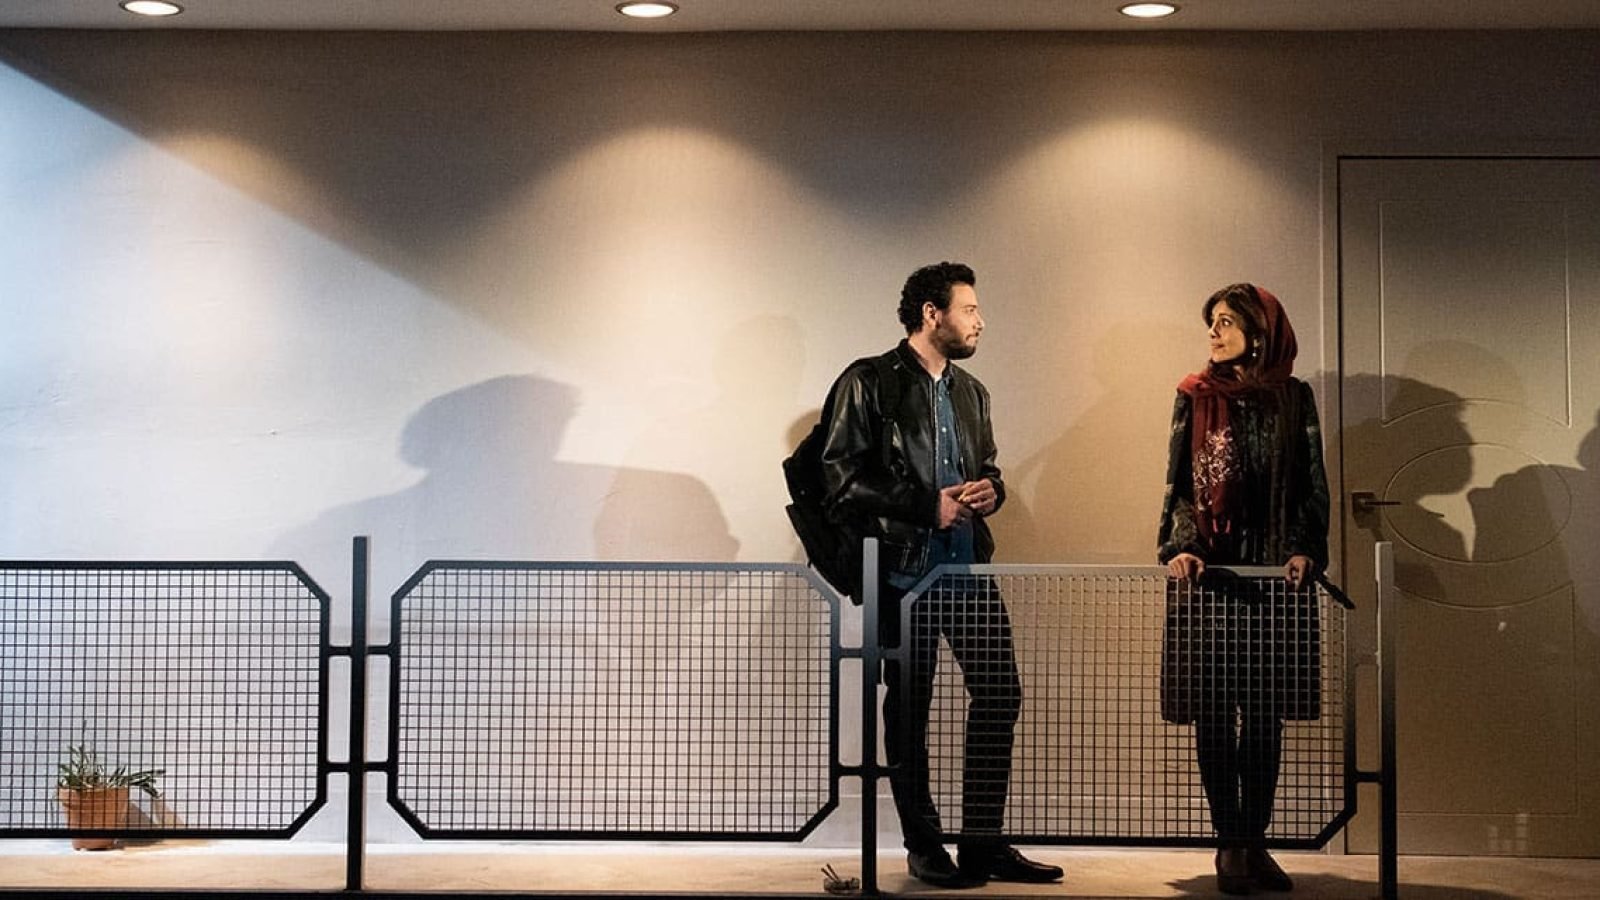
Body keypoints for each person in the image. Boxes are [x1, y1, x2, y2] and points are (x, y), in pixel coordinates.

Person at [819, 262, 1061, 888]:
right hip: (902, 578)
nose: (980, 320)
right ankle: (924, 847)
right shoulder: (868, 381)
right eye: (970, 309)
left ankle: (982, 844)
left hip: (966, 573)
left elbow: (990, 469)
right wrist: (925, 506)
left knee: (1000, 695)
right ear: (933, 314)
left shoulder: (972, 392)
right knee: (908, 713)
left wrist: (992, 492)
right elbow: (839, 481)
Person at [1157, 283, 1329, 895]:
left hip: (1273, 580)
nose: (1213, 332)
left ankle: (1254, 841)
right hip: (1209, 580)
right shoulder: (1193, 395)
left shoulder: (1292, 397)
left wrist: (1303, 547)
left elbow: (1311, 483)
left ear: (1258, 332)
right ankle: (1228, 843)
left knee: (1262, 718)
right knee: (1212, 714)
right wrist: (1182, 545)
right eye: (1211, 321)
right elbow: (1178, 482)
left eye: (1226, 321)